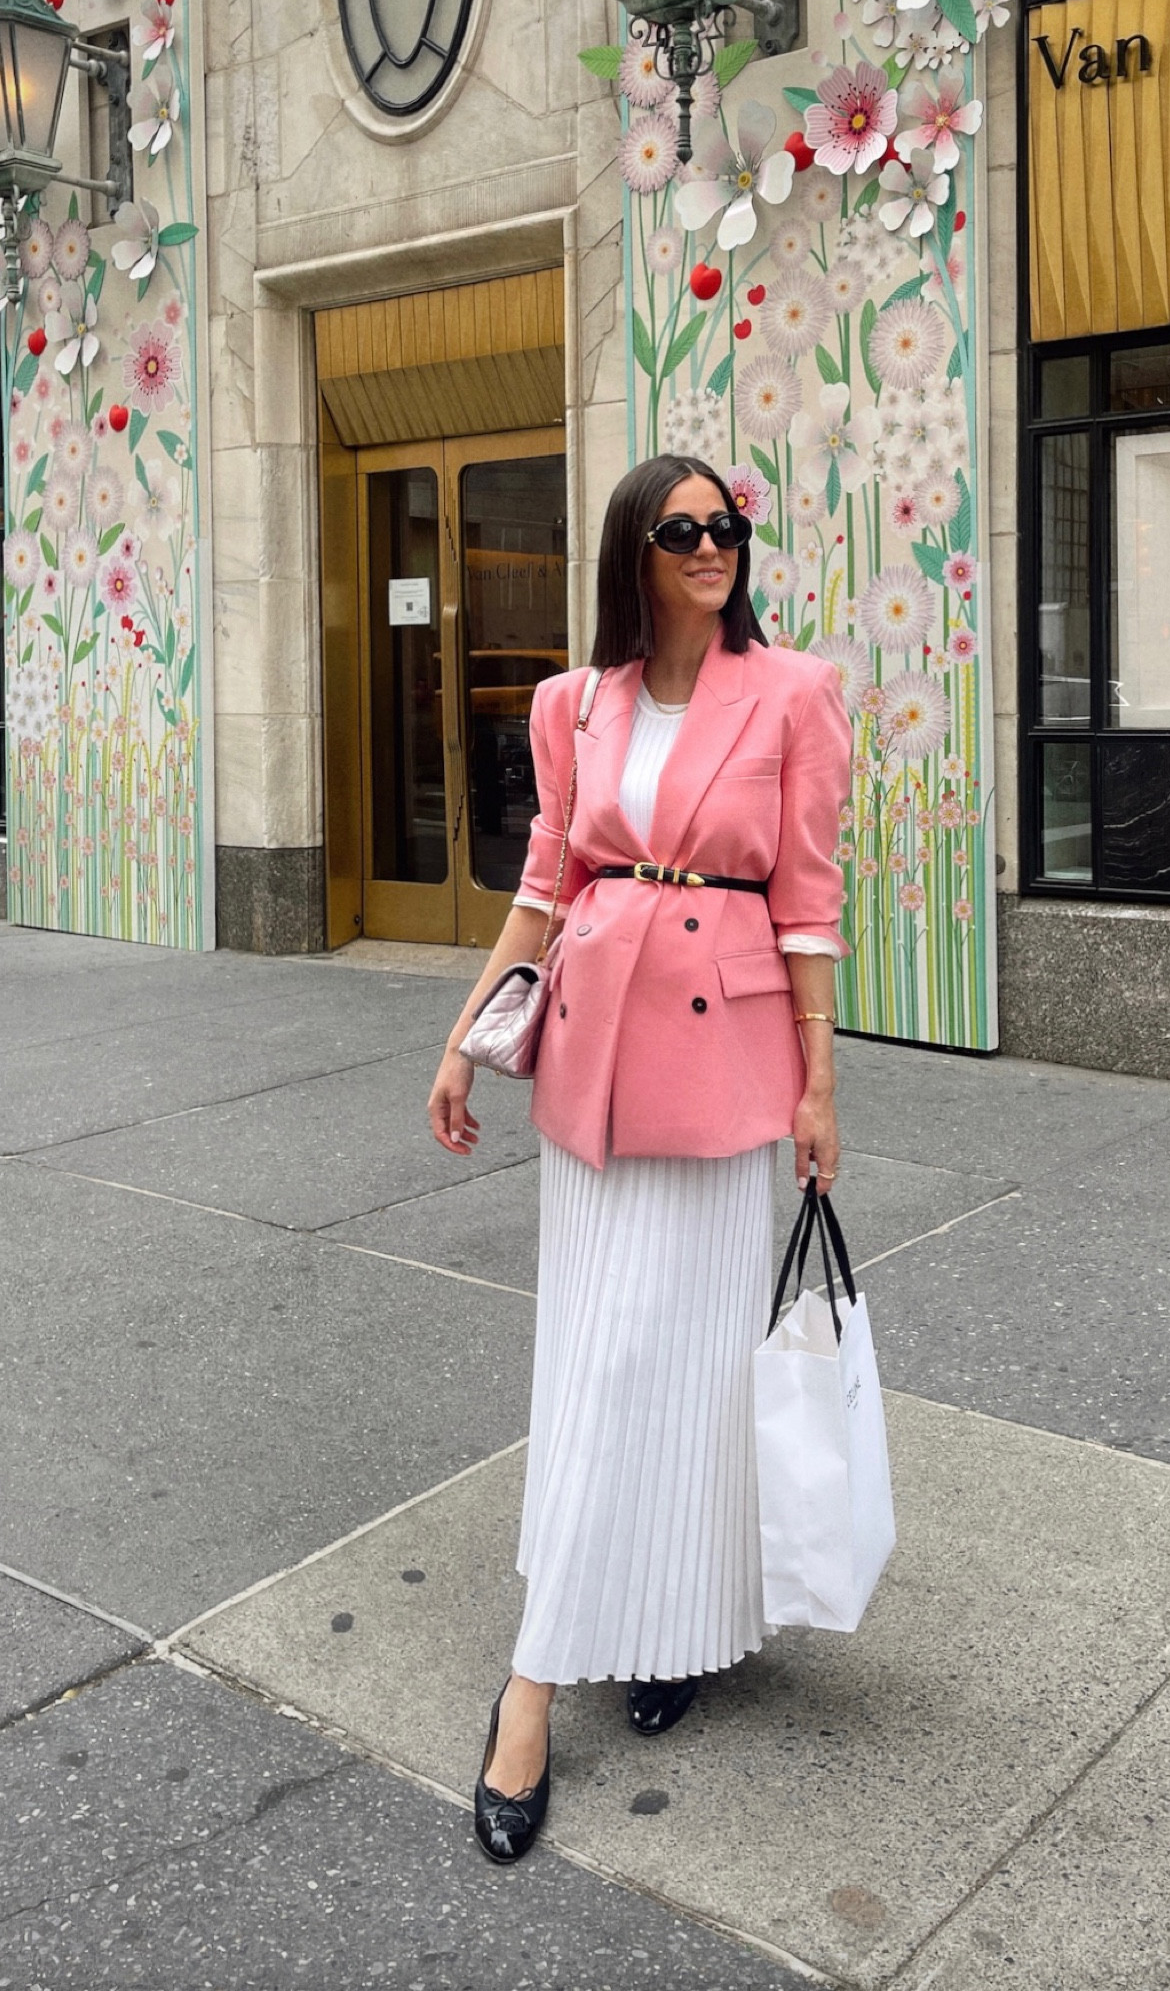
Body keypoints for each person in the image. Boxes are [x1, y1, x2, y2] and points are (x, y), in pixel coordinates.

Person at [426, 453, 852, 1864]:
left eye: (730, 526)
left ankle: (665, 1629)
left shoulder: (793, 694)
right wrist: (465, 1037)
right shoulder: (574, 704)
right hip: (597, 1070)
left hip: (731, 1069)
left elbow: (806, 900)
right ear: (635, 551)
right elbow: (546, 885)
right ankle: (538, 1675)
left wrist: (821, 1085)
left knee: (692, 1367)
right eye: (686, 530)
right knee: (600, 1360)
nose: (715, 547)